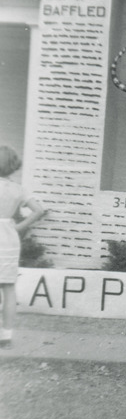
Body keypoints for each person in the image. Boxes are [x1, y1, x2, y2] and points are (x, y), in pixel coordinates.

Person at [0, 146, 45, 347]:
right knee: (8, 287)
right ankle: (6, 335)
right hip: (8, 238)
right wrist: (18, 227)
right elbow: (38, 210)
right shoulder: (18, 189)